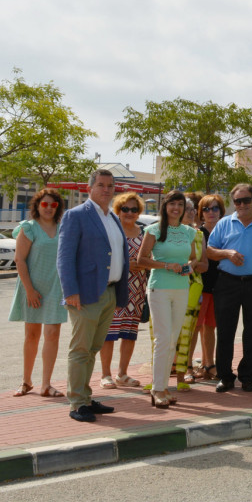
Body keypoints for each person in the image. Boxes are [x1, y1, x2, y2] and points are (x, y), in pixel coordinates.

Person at [56, 168, 129, 423]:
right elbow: (64, 257)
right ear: (90, 188)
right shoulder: (76, 216)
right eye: (101, 185)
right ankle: (77, 403)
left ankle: (86, 397)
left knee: (94, 348)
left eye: (110, 185)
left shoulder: (113, 217)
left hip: (109, 292)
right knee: (80, 349)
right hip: (85, 294)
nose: (106, 189)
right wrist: (71, 292)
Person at [205, 182, 252, 393]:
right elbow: (209, 251)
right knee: (226, 332)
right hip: (227, 282)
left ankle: (248, 377)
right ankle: (225, 376)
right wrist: (227, 253)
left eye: (246, 200)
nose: (242, 204)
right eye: (238, 201)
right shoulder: (223, 224)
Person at [136, 190, 203, 407]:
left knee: (172, 339)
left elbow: (193, 258)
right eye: (172, 204)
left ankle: (164, 387)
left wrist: (188, 267)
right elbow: (142, 259)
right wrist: (166, 265)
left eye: (180, 205)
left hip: (181, 288)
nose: (176, 208)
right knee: (163, 339)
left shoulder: (188, 232)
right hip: (159, 289)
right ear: (165, 206)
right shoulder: (154, 230)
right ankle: (156, 389)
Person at [8, 188, 68, 399]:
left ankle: (46, 384)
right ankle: (26, 381)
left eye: (53, 204)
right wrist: (30, 290)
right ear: (37, 205)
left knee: (52, 334)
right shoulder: (29, 228)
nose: (49, 208)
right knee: (32, 335)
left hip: (56, 288)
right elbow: (19, 260)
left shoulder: (63, 228)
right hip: (32, 288)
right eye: (45, 204)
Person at [97, 192, 148, 390]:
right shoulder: (112, 230)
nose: (129, 213)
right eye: (125, 209)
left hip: (138, 289)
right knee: (109, 333)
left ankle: (123, 373)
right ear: (118, 210)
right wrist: (128, 266)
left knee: (129, 332)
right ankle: (105, 374)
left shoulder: (144, 232)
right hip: (115, 288)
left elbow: (151, 257)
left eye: (134, 209)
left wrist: (143, 265)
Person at [191, 193, 225, 381]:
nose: (211, 212)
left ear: (221, 211)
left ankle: (208, 364)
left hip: (219, 288)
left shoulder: (225, 233)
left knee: (210, 328)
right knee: (194, 328)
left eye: (215, 208)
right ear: (200, 212)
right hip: (198, 287)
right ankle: (187, 367)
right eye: (206, 209)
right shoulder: (196, 234)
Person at [173, 193, 205, 389]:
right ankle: (166, 369)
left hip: (193, 285)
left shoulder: (199, 235)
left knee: (188, 331)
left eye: (193, 210)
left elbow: (205, 264)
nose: (192, 213)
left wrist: (193, 265)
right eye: (188, 210)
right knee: (168, 332)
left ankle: (185, 371)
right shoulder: (166, 233)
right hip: (168, 285)